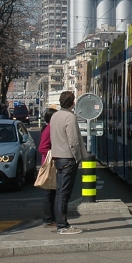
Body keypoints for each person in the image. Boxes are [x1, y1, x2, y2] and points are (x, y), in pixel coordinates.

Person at [50, 91, 87, 234]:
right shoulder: (70, 117)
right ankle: (62, 224)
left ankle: (60, 221)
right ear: (72, 102)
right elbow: (74, 140)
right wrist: (79, 157)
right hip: (68, 157)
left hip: (58, 156)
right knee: (64, 193)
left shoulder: (55, 116)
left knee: (59, 191)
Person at [39, 109, 56, 228]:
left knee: (52, 192)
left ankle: (50, 218)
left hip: (50, 163)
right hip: (49, 165)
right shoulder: (49, 129)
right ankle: (48, 219)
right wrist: (54, 154)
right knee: (50, 192)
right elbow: (42, 148)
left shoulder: (50, 128)